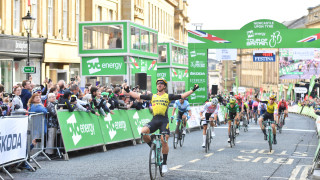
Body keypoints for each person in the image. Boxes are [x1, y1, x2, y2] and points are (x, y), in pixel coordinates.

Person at [124, 78, 199, 173]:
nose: (159, 85)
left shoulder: (168, 96)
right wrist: (128, 91)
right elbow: (137, 95)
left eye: (161, 84)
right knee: (143, 132)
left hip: (164, 121)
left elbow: (182, 95)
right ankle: (153, 148)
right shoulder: (152, 96)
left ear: (164, 86)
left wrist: (193, 90)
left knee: (164, 140)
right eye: (158, 83)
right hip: (155, 120)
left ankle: (164, 163)